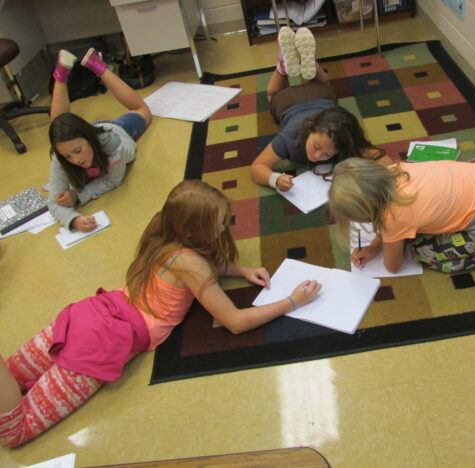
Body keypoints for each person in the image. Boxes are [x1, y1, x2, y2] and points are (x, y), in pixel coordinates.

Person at [0, 180, 322, 448]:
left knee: (11, 375)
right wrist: (292, 301)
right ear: (194, 230)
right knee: (14, 432)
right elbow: (235, 322)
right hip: (101, 343)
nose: (227, 226)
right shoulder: (192, 265)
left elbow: (202, 261)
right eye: (221, 223)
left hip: (92, 312)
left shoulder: (163, 228)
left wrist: (241, 269)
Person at [329, 157, 475, 286]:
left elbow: (392, 266)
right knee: (417, 232)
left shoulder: (395, 216)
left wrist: (385, 241)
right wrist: (374, 246)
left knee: (425, 253)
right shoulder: (396, 170)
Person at [250, 26, 390, 192]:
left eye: (327, 154)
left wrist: (273, 177)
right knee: (273, 95)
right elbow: (256, 167)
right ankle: (294, 67)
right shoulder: (289, 137)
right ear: (309, 127)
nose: (317, 156)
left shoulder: (344, 139)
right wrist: (275, 179)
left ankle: (290, 67)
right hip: (288, 102)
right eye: (316, 147)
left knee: (323, 84)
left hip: (322, 95)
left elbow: (259, 166)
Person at [47, 48, 152, 233]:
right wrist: (74, 220)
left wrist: (77, 196)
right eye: (67, 156)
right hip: (83, 134)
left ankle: (99, 67)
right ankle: (61, 75)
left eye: (77, 152)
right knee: (59, 127)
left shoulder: (112, 146)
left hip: (117, 131)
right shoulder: (61, 153)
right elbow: (53, 202)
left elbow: (112, 181)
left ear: (88, 140)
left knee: (142, 110)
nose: (75, 160)